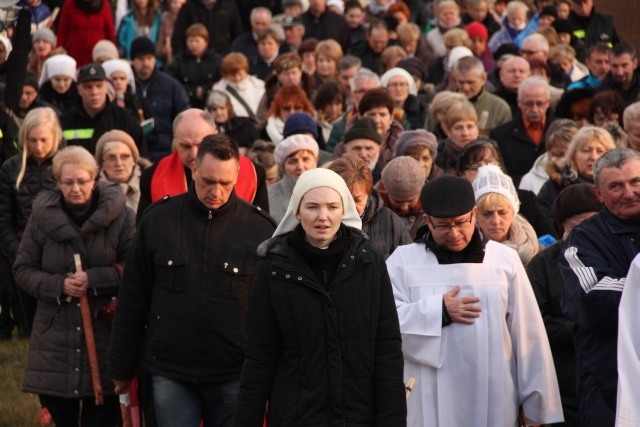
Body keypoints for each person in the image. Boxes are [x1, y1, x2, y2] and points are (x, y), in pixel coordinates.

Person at [108, 135, 276, 427]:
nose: (216, 191)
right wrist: (122, 366)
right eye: (208, 181)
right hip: (170, 370)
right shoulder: (157, 220)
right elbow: (134, 297)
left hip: (233, 372)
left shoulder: (260, 229)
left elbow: (272, 311)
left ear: (238, 175)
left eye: (225, 183)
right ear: (194, 170)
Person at [233, 167, 406, 426]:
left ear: (344, 211)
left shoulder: (368, 263)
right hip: (297, 416)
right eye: (313, 207)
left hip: (358, 415)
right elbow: (260, 357)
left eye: (332, 207)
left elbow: (387, 350)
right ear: (298, 212)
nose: (322, 217)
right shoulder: (273, 270)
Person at [387, 174, 563, 427]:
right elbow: (385, 322)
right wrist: (439, 311)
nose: (454, 233)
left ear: (474, 213)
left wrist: (536, 403)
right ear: (427, 220)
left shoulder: (503, 260)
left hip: (494, 389)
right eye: (443, 225)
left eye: (461, 222)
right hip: (427, 390)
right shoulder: (403, 262)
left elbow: (527, 334)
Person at [14, 145, 135, 427]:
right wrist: (60, 285)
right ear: (58, 182)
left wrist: (94, 279)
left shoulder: (122, 216)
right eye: (68, 182)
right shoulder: (42, 217)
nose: (76, 188)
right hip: (55, 334)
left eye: (82, 181)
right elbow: (22, 269)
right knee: (61, 411)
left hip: (105, 328)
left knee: (104, 415)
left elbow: (134, 267)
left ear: (95, 178)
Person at [559, 148, 640, 427]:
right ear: (599, 194)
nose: (628, 193)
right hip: (609, 387)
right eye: (616, 186)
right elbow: (593, 300)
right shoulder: (582, 240)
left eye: (635, 182)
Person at [527, 183, 603, 426]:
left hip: (608, 377)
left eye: (591, 223)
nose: (583, 232)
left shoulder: (616, 256)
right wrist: (588, 326)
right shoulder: (543, 264)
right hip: (561, 384)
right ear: (562, 227)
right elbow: (537, 323)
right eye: (574, 226)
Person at [137, 109, 269, 221]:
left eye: (201, 144)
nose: (194, 154)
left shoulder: (254, 174)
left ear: (216, 136)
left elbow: (259, 231)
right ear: (175, 140)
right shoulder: (152, 177)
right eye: (185, 146)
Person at [0, 108, 63, 337]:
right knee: (31, 323)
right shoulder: (11, 168)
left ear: (55, 136)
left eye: (44, 140)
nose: (38, 146)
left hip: (60, 250)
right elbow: (4, 216)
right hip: (23, 249)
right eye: (32, 140)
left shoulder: (66, 163)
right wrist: (16, 252)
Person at [329, 153, 412, 259]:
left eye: (357, 200)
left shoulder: (390, 222)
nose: (351, 207)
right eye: (344, 199)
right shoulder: (320, 223)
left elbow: (410, 266)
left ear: (368, 195)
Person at [60, 63, 145, 156]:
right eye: (88, 87)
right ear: (79, 89)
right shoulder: (65, 122)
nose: (94, 92)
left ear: (106, 87)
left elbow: (141, 158)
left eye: (99, 86)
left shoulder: (126, 120)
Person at [538, 125, 615, 225]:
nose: (593, 157)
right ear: (574, 155)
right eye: (586, 150)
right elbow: (546, 226)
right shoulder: (554, 186)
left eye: (600, 151)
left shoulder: (620, 186)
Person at [130, 37, 190, 162]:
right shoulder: (126, 87)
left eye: (149, 58)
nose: (146, 63)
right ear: (133, 61)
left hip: (165, 154)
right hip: (133, 154)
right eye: (141, 59)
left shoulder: (171, 85)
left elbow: (184, 117)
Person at [490, 76, 556, 186]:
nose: (534, 109)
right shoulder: (500, 135)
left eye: (539, 103)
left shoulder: (562, 131)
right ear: (519, 103)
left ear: (548, 102)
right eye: (528, 104)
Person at [472, 165, 539, 266]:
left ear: (513, 212)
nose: (496, 221)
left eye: (502, 213)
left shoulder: (535, 251)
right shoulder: (467, 252)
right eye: (486, 214)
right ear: (475, 215)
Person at [166, 24, 222, 110]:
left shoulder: (216, 60)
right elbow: (171, 81)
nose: (193, 45)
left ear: (206, 42)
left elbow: (221, 81)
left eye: (197, 41)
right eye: (190, 41)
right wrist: (193, 91)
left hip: (211, 104)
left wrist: (204, 90)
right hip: (185, 103)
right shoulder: (179, 60)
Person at [95, 130, 151, 212]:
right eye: (111, 157)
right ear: (102, 163)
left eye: (125, 156)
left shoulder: (150, 184)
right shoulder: (91, 192)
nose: (119, 163)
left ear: (134, 160)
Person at [268, 134, 319, 224]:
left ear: (315, 161)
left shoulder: (330, 191)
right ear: (283, 167)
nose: (300, 167)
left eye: (306, 159)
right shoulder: (269, 196)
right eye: (292, 162)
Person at [453, 56, 512, 133]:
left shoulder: (499, 108)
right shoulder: (444, 106)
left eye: (471, 82)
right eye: (461, 82)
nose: (466, 88)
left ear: (483, 78)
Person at [519, 118, 577, 195]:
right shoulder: (529, 181)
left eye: (570, 154)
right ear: (548, 151)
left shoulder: (591, 177)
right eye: (560, 154)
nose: (566, 160)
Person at [171, 0, 243, 57]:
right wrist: (182, 60)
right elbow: (178, 39)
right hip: (192, 62)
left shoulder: (229, 7)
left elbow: (237, 37)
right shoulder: (188, 8)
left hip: (223, 60)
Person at [56, 0, 116, 67]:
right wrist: (59, 48)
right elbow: (62, 30)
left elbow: (110, 32)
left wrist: (112, 53)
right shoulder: (69, 4)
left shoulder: (104, 4)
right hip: (74, 55)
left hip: (97, 57)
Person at [379, 156, 427, 238]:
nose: (404, 207)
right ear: (385, 191)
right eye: (398, 201)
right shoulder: (372, 210)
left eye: (411, 200)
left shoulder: (432, 211)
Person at [212, 53, 266, 122]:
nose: (237, 78)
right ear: (225, 74)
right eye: (232, 75)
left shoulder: (259, 86)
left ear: (246, 71)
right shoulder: (218, 90)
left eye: (240, 74)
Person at [435, 99, 479, 175]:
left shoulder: (490, 154)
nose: (465, 133)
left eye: (470, 126)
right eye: (458, 128)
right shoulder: (439, 159)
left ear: (477, 129)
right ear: (448, 132)